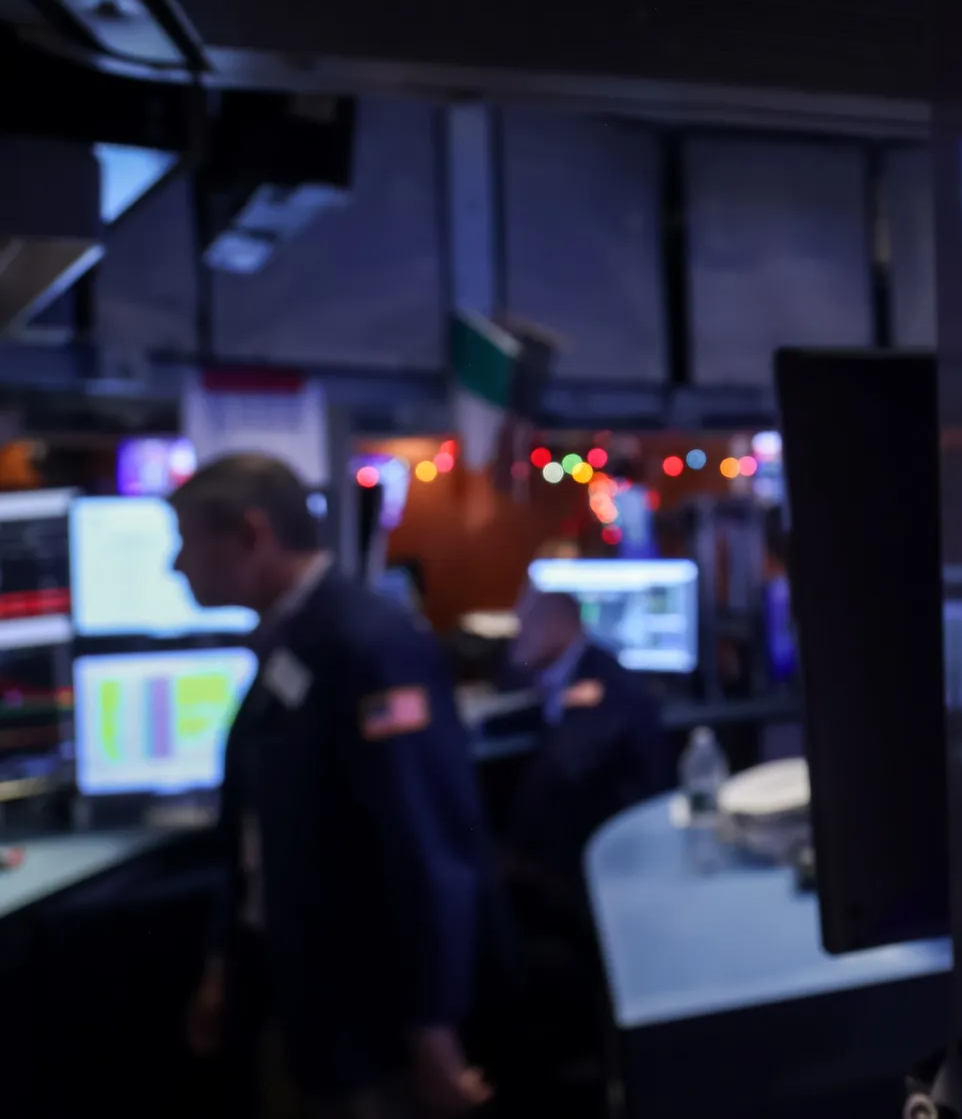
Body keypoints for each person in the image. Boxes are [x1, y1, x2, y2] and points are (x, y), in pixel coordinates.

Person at [176, 453, 494, 1117]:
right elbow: (260, 829)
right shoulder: (292, 639)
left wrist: (432, 1024)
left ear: (250, 535)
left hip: (367, 1017)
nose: (177, 566)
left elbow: (423, 845)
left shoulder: (368, 644)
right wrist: (221, 963)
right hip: (299, 994)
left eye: (188, 542)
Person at [502, 586, 672, 896]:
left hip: (606, 850)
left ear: (558, 626)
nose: (518, 637)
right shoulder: (557, 672)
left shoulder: (605, 680)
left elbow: (563, 767)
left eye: (527, 626)